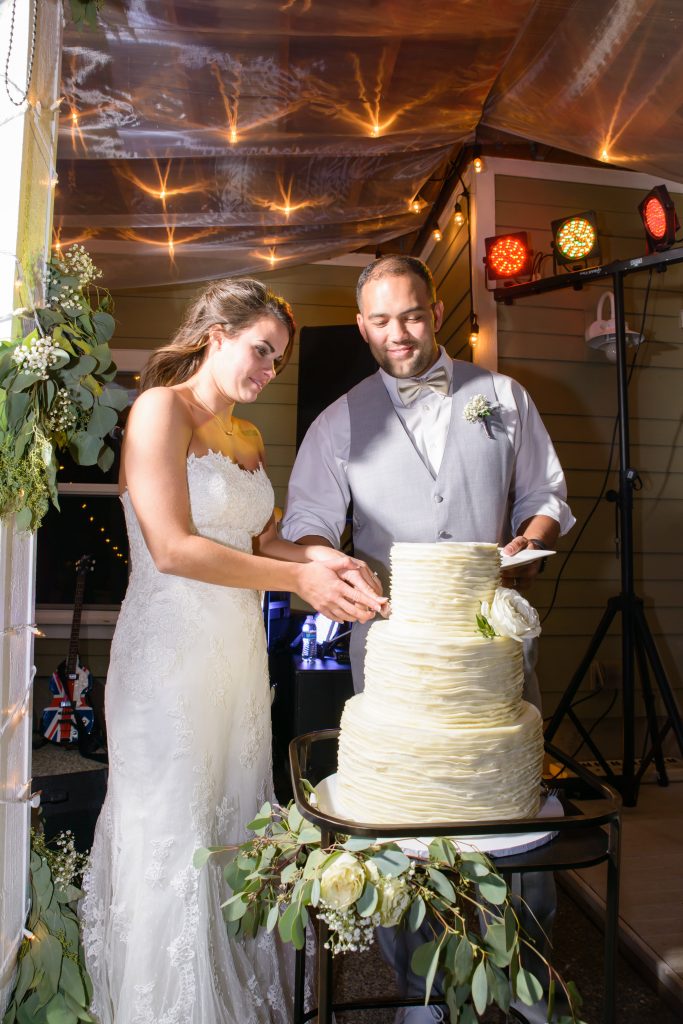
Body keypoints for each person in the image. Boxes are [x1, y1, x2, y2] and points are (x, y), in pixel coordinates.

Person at [80, 278, 386, 1024]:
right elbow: (176, 549)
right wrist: (297, 581)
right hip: (168, 659)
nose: (267, 370)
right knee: (173, 828)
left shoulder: (245, 437)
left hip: (235, 661)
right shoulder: (159, 410)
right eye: (260, 351)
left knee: (230, 828)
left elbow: (256, 540)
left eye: (278, 361)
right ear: (216, 333)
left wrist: (328, 561)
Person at [281, 255, 575, 1024]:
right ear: (361, 326)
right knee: (403, 825)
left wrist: (527, 541)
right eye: (379, 321)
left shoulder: (501, 397)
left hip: (488, 652)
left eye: (409, 315)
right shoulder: (339, 419)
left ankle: (524, 971)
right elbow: (306, 522)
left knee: (512, 805)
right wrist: (330, 563)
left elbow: (546, 494)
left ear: (434, 310)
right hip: (391, 649)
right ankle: (420, 991)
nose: (397, 334)